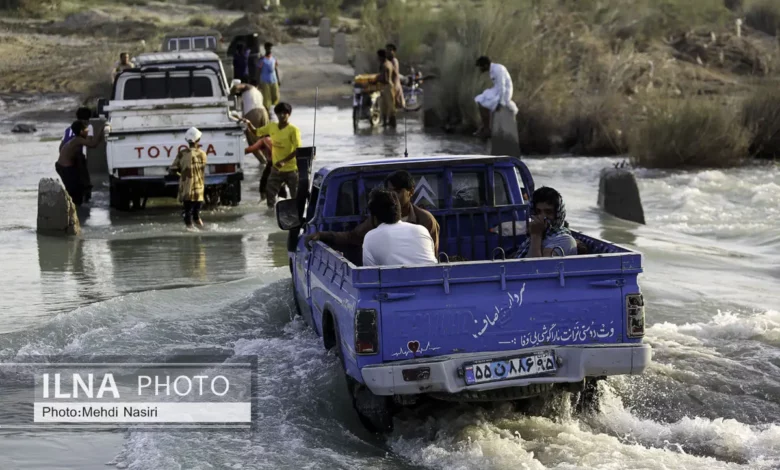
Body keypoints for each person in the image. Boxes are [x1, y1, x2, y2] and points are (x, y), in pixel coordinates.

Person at [306, 170, 440, 264]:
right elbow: (353, 237)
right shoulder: (379, 218)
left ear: (411, 192)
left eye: (398, 192)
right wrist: (323, 235)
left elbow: (431, 254)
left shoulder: (425, 221)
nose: (393, 195)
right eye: (390, 191)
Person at [243, 102, 301, 208]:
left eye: (285, 113)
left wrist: (284, 161)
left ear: (289, 114)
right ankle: (271, 215)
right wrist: (249, 123)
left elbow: (298, 150)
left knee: (296, 197)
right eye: (279, 113)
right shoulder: (272, 126)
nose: (282, 115)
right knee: (270, 194)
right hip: (276, 169)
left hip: (291, 169)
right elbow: (256, 132)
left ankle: (296, 214)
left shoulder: (293, 130)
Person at [362, 189, 437, 267]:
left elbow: (370, 274)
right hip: (439, 277)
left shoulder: (370, 237)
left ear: (374, 217)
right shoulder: (422, 230)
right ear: (399, 212)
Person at [515, 187, 578, 259]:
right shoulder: (540, 235)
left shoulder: (565, 240)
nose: (542, 216)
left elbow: (536, 267)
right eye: (538, 211)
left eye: (548, 212)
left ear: (557, 214)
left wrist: (536, 235)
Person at [56, 121, 107, 206]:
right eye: (86, 129)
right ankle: (74, 212)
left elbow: (90, 142)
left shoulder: (75, 140)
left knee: (76, 191)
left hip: (62, 166)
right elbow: (93, 144)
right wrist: (101, 128)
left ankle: (75, 210)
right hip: (66, 169)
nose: (87, 131)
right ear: (81, 132)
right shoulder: (77, 140)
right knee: (75, 194)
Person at [169, 127, 208, 228]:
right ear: (198, 140)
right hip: (199, 189)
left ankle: (191, 233)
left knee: (187, 214)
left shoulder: (182, 154)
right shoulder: (203, 154)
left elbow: (172, 170)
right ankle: (202, 230)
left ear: (187, 140)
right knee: (196, 215)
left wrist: (181, 174)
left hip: (187, 189)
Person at [474, 55, 518, 139]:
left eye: (481, 67)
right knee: (479, 99)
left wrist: (501, 102)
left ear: (486, 65)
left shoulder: (498, 69)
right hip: (497, 90)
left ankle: (487, 129)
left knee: (485, 104)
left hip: (505, 92)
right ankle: (485, 127)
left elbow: (503, 86)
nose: (480, 69)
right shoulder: (492, 70)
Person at [230, 81, 269, 164]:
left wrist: (230, 93)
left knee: (252, 143)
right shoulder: (258, 92)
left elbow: (237, 87)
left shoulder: (248, 87)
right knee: (265, 139)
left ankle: (263, 162)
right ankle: (269, 161)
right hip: (264, 112)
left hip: (253, 113)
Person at [258, 42, 281, 118]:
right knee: (266, 99)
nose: (269, 50)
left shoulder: (274, 59)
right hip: (265, 81)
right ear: (265, 49)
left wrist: (278, 79)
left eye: (270, 48)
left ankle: (273, 110)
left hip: (274, 80)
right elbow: (258, 70)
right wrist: (258, 82)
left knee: (276, 97)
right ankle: (268, 113)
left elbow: (276, 69)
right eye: (268, 48)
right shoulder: (262, 60)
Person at [376, 49, 397, 127]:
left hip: (386, 87)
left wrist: (377, 78)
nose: (377, 58)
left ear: (381, 57)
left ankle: (391, 124)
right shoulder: (390, 63)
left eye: (378, 57)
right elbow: (395, 74)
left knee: (387, 106)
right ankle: (387, 124)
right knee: (387, 106)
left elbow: (384, 78)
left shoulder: (384, 65)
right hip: (390, 86)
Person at [386, 44, 406, 110]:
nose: (388, 51)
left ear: (393, 52)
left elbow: (395, 73)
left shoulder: (394, 61)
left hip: (394, 85)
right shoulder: (387, 61)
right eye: (387, 50)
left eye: (390, 50)